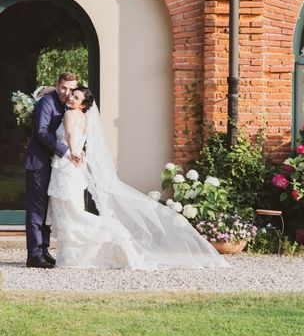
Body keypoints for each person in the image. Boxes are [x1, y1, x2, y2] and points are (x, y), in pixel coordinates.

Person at [45, 86, 228, 270]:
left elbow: (69, 135)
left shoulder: (70, 114)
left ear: (83, 104)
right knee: (71, 211)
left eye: (76, 98)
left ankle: (108, 235)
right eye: (72, 95)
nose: (71, 99)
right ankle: (70, 257)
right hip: (75, 169)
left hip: (67, 166)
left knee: (71, 213)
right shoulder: (85, 118)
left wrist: (72, 152)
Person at [23, 72, 79, 269]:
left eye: (71, 89)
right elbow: (40, 132)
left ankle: (44, 250)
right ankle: (34, 254)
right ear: (58, 85)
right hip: (38, 163)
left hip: (54, 166)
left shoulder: (68, 104)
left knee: (47, 210)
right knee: (36, 210)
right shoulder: (47, 102)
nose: (67, 92)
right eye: (63, 88)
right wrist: (65, 151)